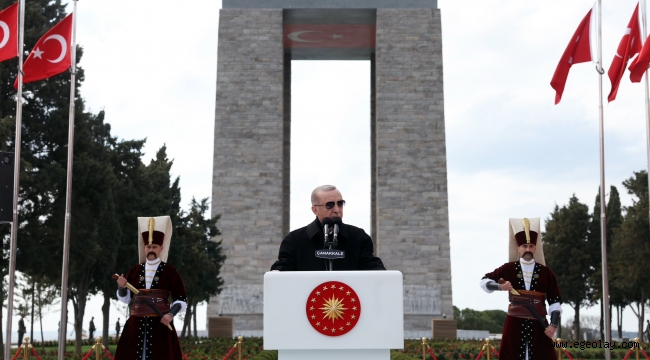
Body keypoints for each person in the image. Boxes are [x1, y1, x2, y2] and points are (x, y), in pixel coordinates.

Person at [479, 218, 562, 360]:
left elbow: (555, 302)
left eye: (530, 246)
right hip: (514, 323)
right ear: (518, 248)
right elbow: (483, 281)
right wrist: (500, 287)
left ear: (535, 248)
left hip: (539, 324)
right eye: (524, 246)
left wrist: (553, 325)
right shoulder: (508, 268)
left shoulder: (546, 273)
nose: (528, 249)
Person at [114, 216, 187, 359]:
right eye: (148, 247)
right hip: (136, 324)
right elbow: (126, 299)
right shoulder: (134, 271)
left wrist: (170, 315)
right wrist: (122, 287)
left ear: (161, 248)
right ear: (144, 248)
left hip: (161, 323)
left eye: (154, 247)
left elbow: (181, 298)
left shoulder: (170, 271)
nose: (151, 249)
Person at [271, 185, 385, 271]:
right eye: (330, 205)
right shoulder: (294, 240)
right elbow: (282, 271)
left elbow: (371, 266)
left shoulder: (359, 237)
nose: (337, 209)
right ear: (315, 210)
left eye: (340, 203)